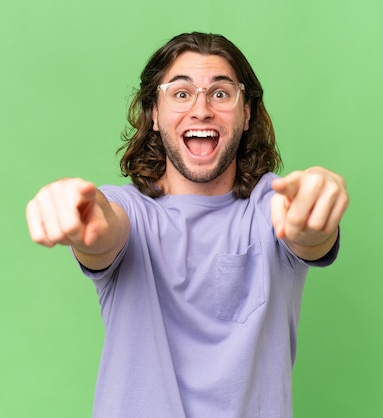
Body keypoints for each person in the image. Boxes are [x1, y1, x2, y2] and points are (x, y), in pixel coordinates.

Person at [26, 32, 349, 418]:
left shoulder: (271, 204)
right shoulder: (129, 209)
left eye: (220, 93)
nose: (201, 109)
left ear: (246, 114)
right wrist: (82, 209)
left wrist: (317, 202)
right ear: (155, 115)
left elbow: (305, 232)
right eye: (181, 94)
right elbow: (105, 225)